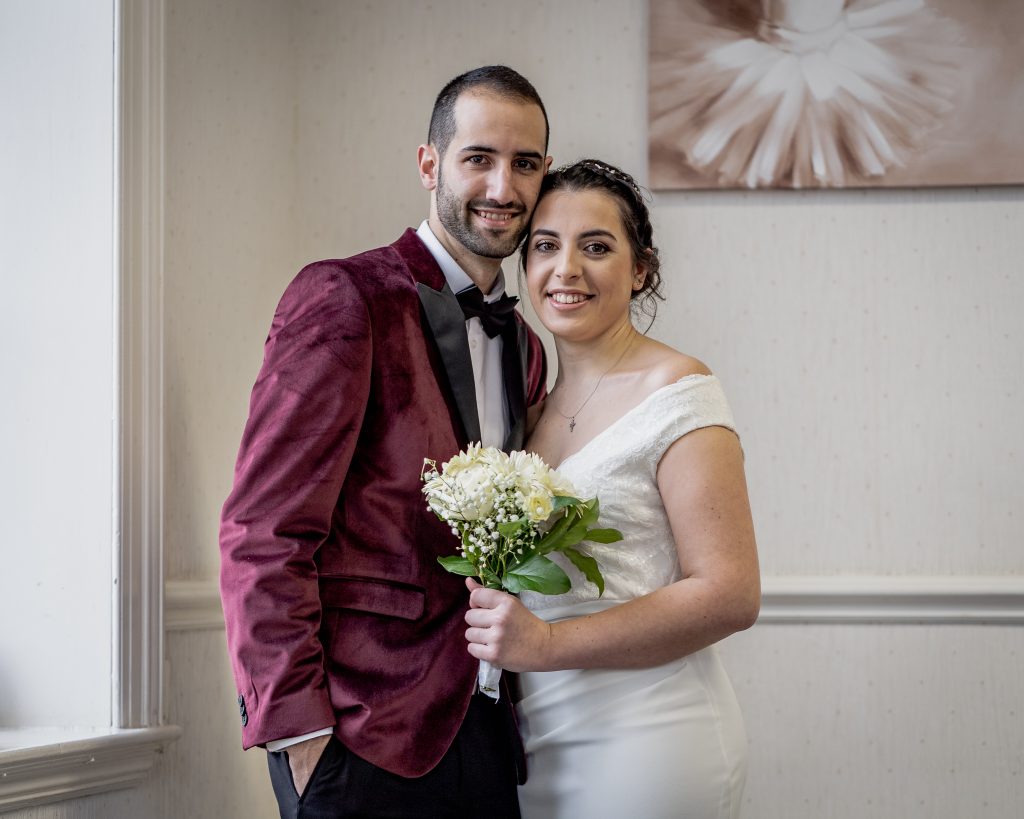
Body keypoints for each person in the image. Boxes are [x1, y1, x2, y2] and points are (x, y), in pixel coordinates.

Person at [219, 65, 552, 818]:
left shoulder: (527, 348)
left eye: (525, 163)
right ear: (429, 163)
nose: (504, 186)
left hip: (487, 731)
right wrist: (299, 734)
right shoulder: (345, 296)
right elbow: (262, 531)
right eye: (479, 158)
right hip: (360, 739)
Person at [462, 159, 761, 818]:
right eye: (546, 245)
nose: (566, 267)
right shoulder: (530, 409)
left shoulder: (678, 390)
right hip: (542, 744)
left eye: (596, 246)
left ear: (640, 269)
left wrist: (545, 646)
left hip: (650, 738)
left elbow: (731, 592)